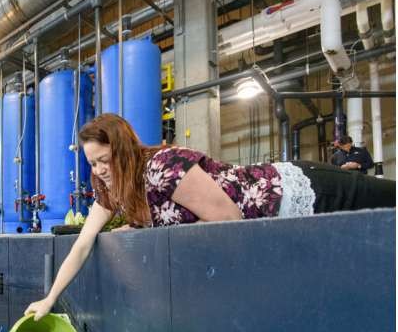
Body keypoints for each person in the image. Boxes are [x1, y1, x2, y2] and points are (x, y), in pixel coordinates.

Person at [24, 113, 395, 320]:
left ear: (122, 151)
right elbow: (82, 244)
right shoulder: (113, 188)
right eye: (92, 163)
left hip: (300, 190)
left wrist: (155, 237)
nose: (99, 170)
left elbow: (227, 218)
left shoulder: (161, 167)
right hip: (284, 219)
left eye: (104, 160)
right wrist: (50, 298)